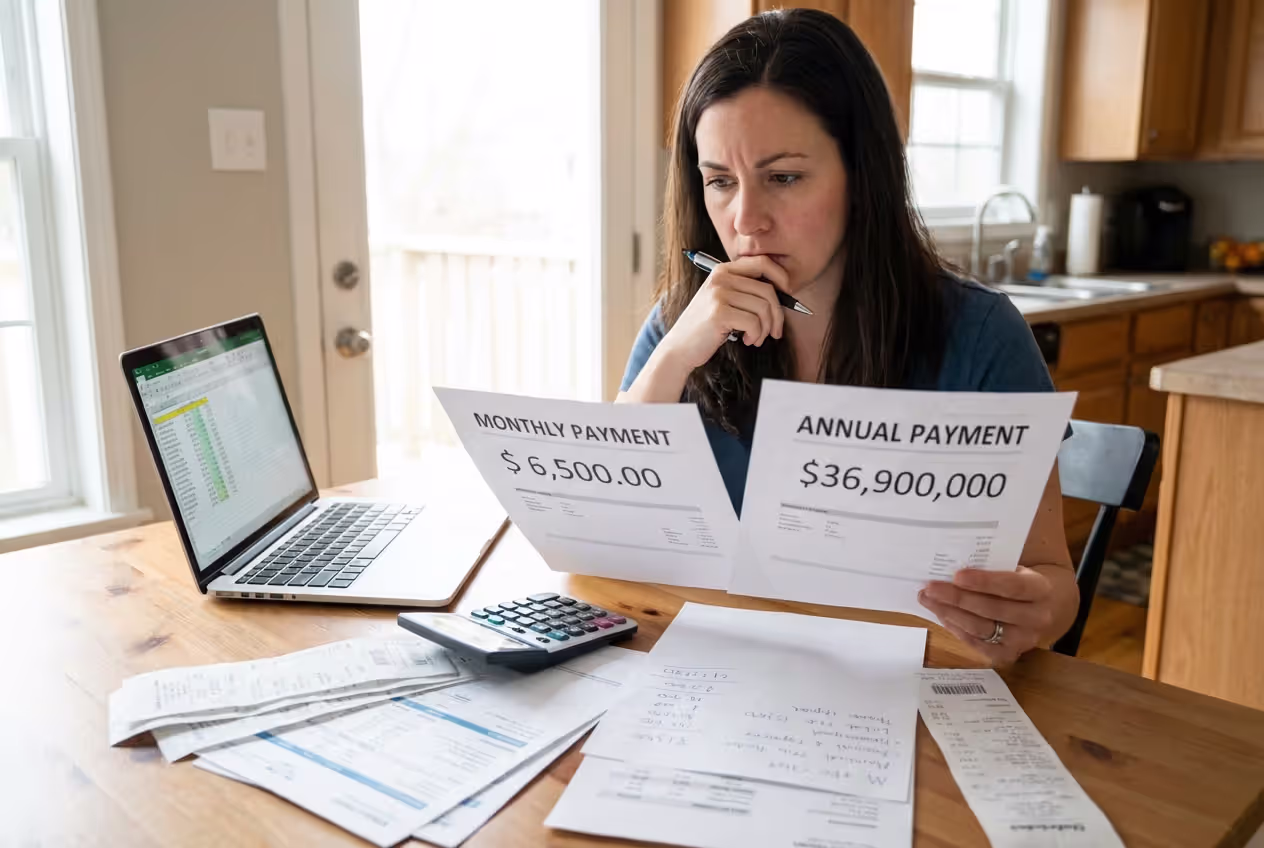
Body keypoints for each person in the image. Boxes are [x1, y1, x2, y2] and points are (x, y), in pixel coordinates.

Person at [617, 9, 1076, 665]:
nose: (746, 220)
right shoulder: (681, 323)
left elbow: (1055, 585)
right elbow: (608, 528)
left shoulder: (980, 336)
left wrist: (1023, 613)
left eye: (783, 177)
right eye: (720, 181)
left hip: (905, 676)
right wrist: (674, 356)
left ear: (863, 176)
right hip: (725, 669)